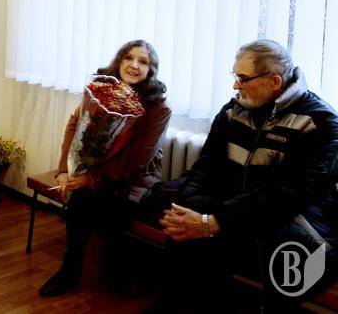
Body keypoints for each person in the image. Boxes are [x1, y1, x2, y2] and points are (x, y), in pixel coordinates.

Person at [154, 40, 338, 311]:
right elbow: (206, 167)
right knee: (183, 215)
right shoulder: (232, 111)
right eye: (235, 76)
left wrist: (214, 222)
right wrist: (186, 209)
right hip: (240, 207)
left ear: (274, 81)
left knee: (281, 248)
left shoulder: (320, 122)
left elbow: (290, 195)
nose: (234, 86)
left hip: (293, 218)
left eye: (242, 78)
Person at [39, 40, 171, 297]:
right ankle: (70, 270)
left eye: (143, 62)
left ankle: (114, 269)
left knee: (106, 204)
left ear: (151, 70)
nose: (134, 65)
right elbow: (75, 126)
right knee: (80, 203)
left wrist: (91, 179)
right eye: (128, 58)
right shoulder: (100, 90)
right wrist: (65, 171)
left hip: (131, 179)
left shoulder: (159, 108)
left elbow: (138, 160)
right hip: (93, 173)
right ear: (119, 61)